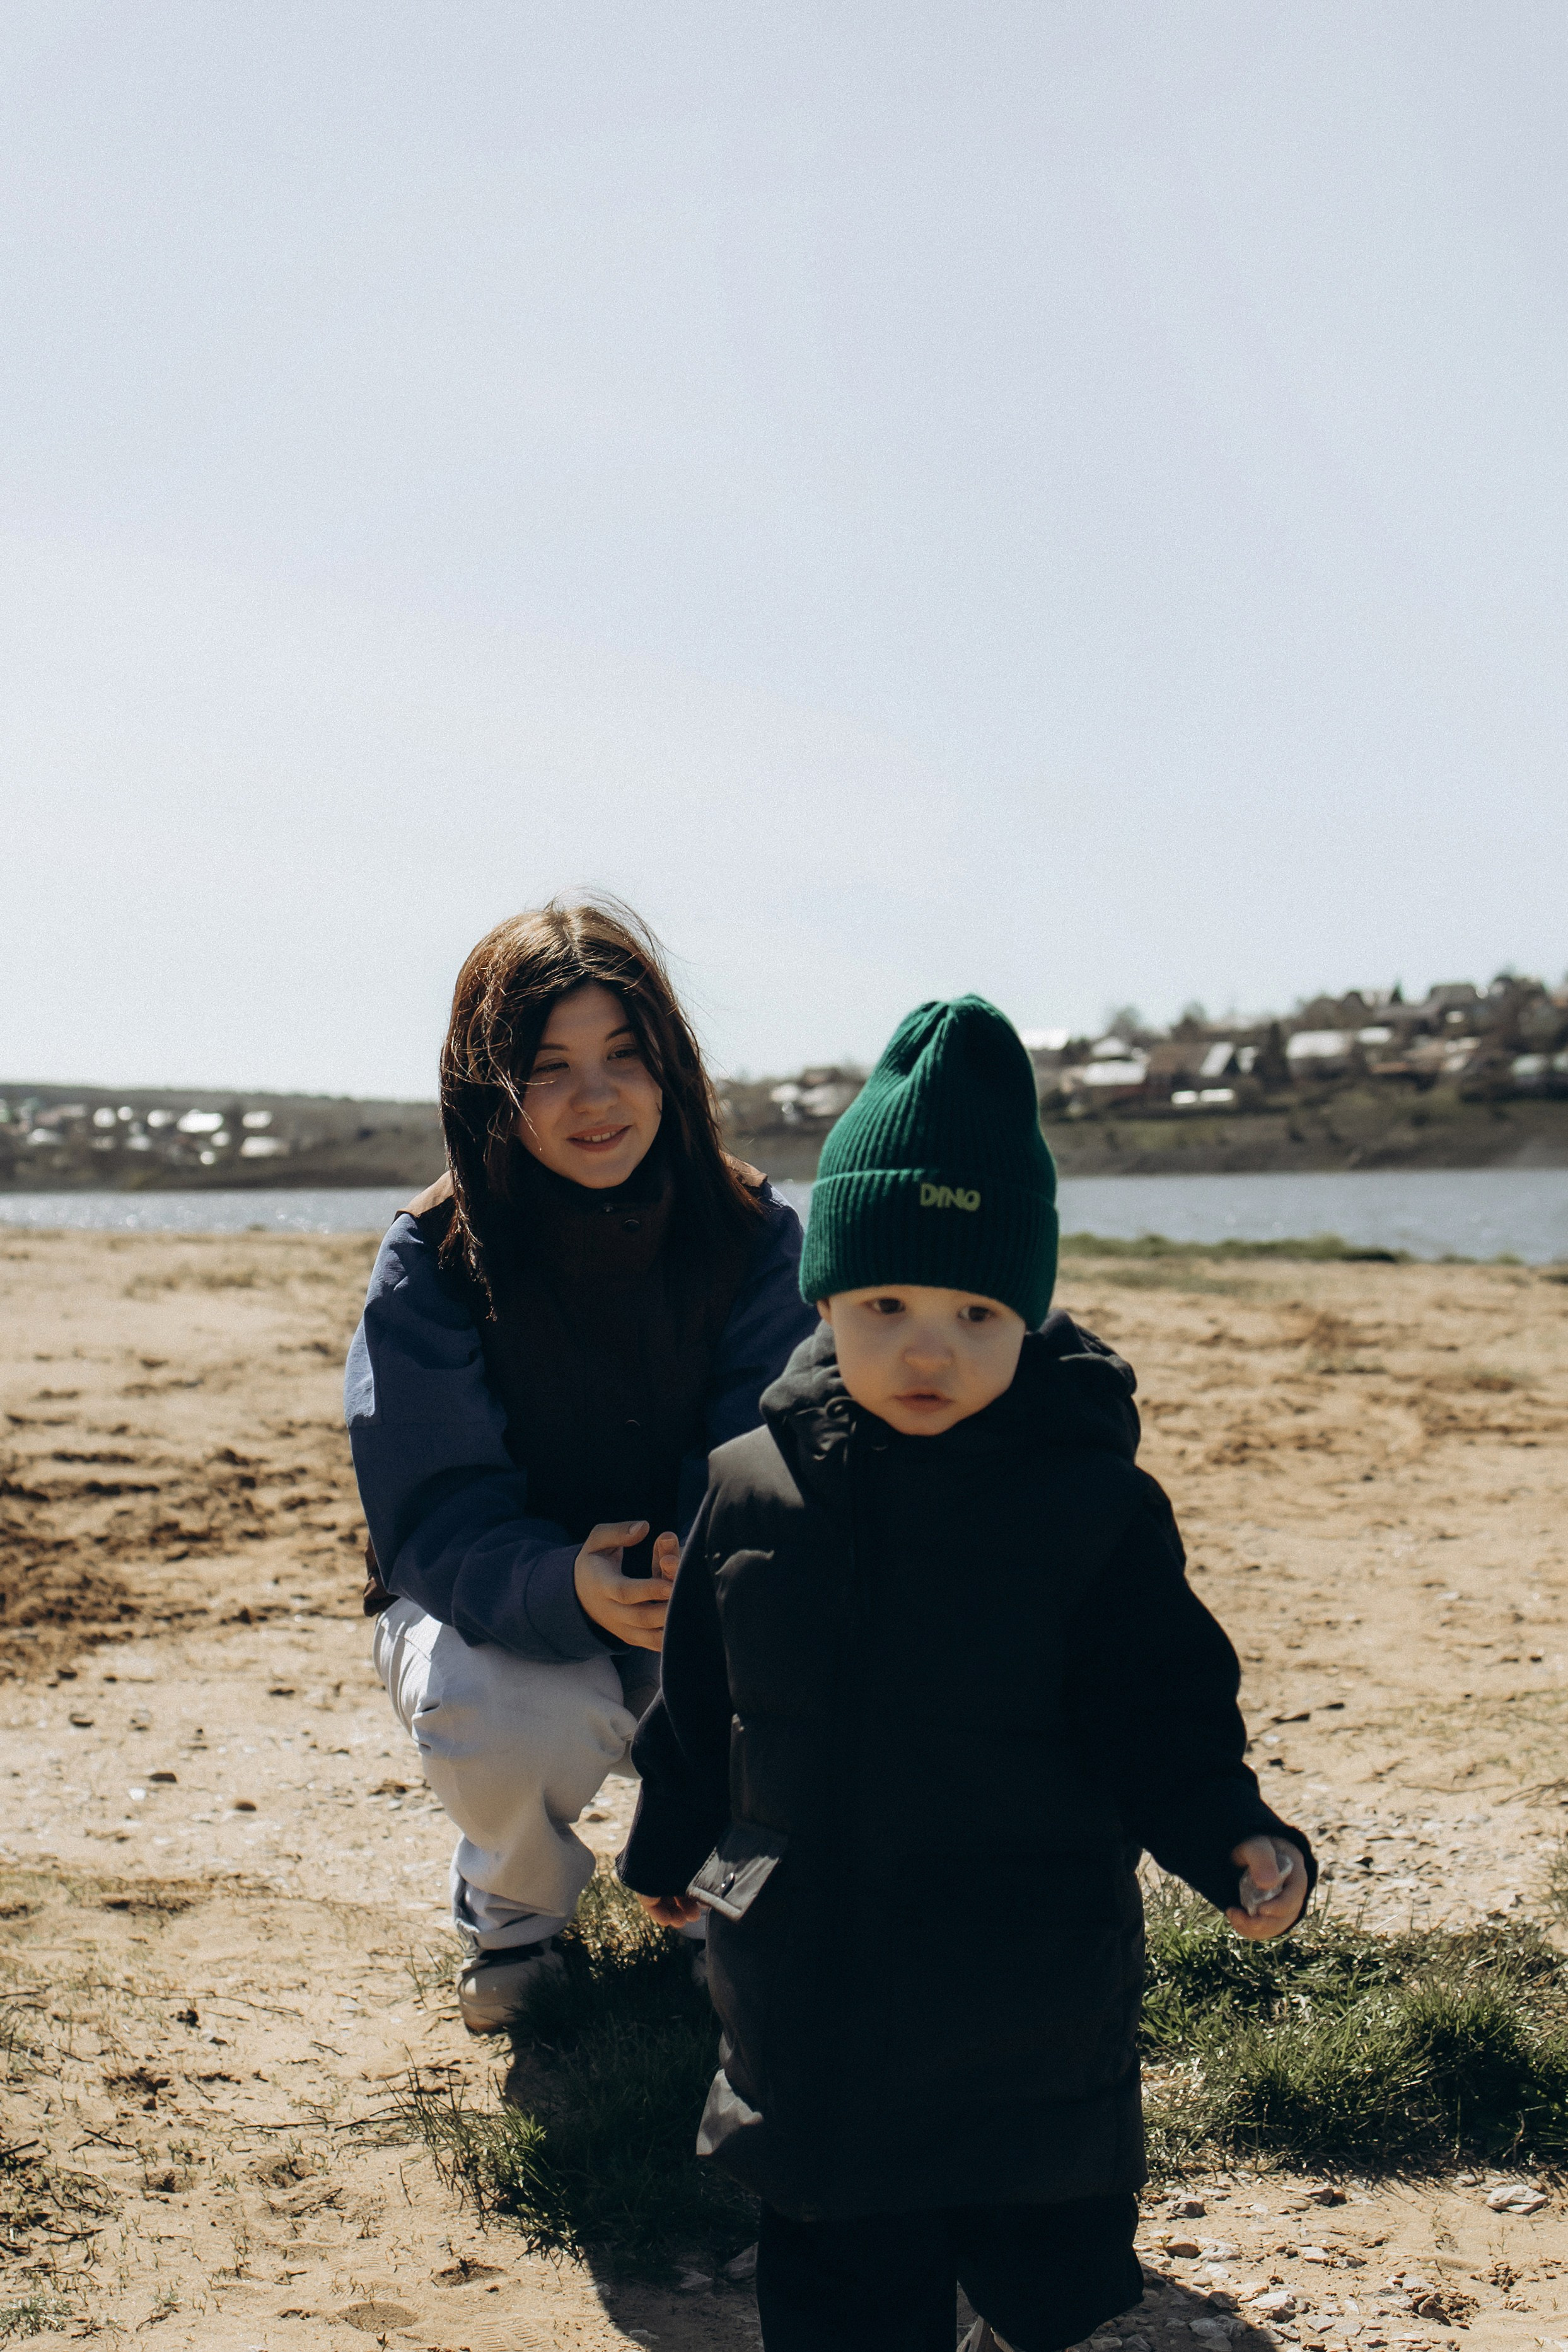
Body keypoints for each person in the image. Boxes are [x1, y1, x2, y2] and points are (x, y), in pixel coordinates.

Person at [620, 996, 1314, 2352]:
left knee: (1042, 2257)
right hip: (811, 1972)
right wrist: (668, 1840)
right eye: (883, 1302)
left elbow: (1159, 1708)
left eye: (973, 1309)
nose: (924, 1345)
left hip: (1026, 1977)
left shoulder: (1089, 1504)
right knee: (833, 2262)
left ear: (1029, 1311)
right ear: (824, 1294)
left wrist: (1232, 1832)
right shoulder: (747, 1490)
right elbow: (700, 1703)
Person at [344, 899, 816, 2033]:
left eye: (623, 1055)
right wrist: (564, 1585)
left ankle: (714, 1892)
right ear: (488, 1090)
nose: (594, 1097)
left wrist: (692, 1580)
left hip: (694, 1595)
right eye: (548, 1068)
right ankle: (512, 1908)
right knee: (505, 1709)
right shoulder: (433, 1254)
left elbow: (767, 1444)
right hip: (493, 1609)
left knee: (804, 1652)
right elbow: (433, 1507)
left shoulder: (754, 1233)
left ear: (672, 1063)